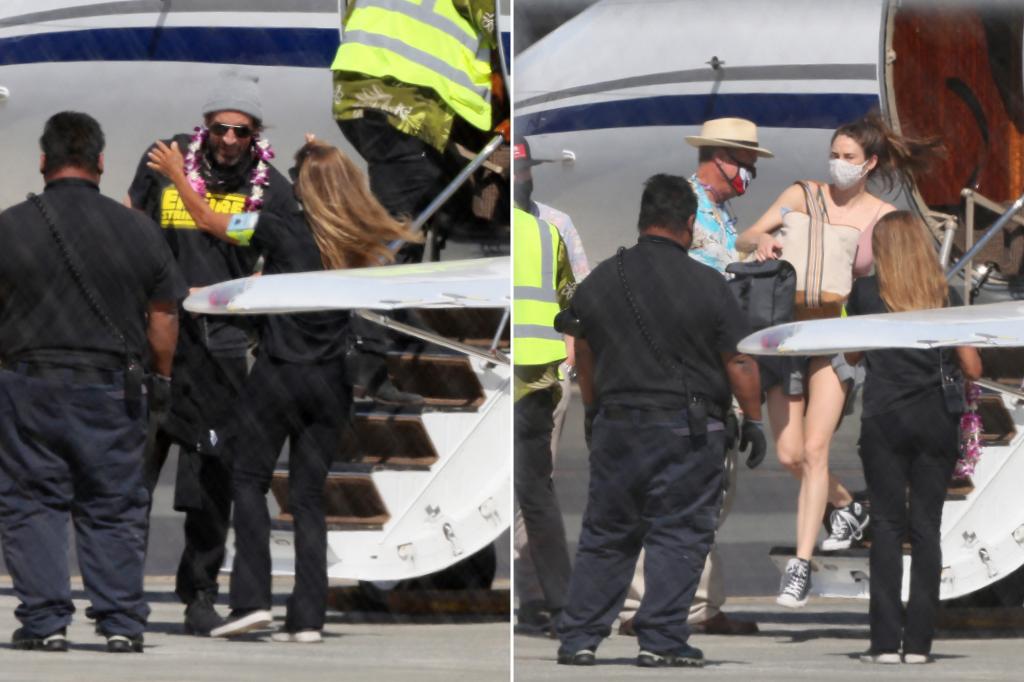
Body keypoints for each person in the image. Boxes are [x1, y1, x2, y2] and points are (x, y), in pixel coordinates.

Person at [147, 137, 420, 641]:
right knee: (309, 497)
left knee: (248, 481)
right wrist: (321, 153)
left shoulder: (277, 227)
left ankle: (251, 601)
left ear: (303, 188)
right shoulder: (358, 238)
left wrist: (177, 175)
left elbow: (211, 222)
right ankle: (308, 617)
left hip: (279, 373)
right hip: (332, 381)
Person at [555, 174, 766, 668]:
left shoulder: (602, 280)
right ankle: (661, 639)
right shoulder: (710, 285)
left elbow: (582, 351)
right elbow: (739, 361)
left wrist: (593, 409)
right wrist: (753, 419)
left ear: (642, 218)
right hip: (687, 431)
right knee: (679, 533)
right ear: (689, 223)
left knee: (607, 533)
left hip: (616, 425)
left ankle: (580, 638)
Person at [735, 112, 942, 608]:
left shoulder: (880, 215)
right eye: (834, 154)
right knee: (789, 454)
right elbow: (746, 236)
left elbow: (894, 275)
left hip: (834, 336)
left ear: (869, 164)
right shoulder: (801, 195)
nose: (838, 164)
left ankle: (800, 567)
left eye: (849, 158)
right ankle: (847, 505)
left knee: (815, 448)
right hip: (787, 332)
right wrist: (761, 240)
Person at [0, 111, 185, 653]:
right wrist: (162, 377)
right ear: (101, 163)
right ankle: (122, 623)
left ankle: (45, 622)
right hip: (111, 387)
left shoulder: (10, 227)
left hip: (28, 386)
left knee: (33, 503)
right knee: (113, 504)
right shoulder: (138, 229)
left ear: (43, 162)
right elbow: (164, 318)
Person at [126, 70, 296, 635]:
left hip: (221, 352)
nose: (228, 140)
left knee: (210, 487)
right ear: (206, 126)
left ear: (255, 136)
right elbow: (132, 218)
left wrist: (181, 178)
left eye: (241, 132)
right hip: (155, 342)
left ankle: (199, 592)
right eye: (220, 127)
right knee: (132, 480)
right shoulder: (165, 163)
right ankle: (120, 591)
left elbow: (230, 232)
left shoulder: (270, 189)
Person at [618, 117, 770, 636]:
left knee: (711, 494)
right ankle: (642, 606)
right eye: (746, 165)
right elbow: (684, 275)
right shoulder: (683, 204)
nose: (749, 175)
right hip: (685, 368)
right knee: (670, 494)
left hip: (712, 364)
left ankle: (699, 604)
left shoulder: (721, 214)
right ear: (720, 157)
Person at [843, 211, 981, 664]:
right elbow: (973, 366)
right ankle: (919, 645)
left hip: (885, 417)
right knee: (927, 529)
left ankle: (884, 643)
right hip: (936, 419)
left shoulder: (865, 293)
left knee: (885, 525)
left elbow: (851, 351)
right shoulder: (947, 294)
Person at [331, 0, 499, 259]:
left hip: (354, 93)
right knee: (401, 229)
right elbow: (496, 21)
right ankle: (389, 290)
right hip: (405, 101)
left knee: (435, 188)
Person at [512, 135, 590, 635]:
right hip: (517, 371)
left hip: (539, 374)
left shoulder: (555, 224)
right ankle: (544, 597)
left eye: (522, 169)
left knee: (533, 490)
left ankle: (539, 597)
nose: (519, 176)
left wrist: (568, 363)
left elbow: (576, 299)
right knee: (532, 491)